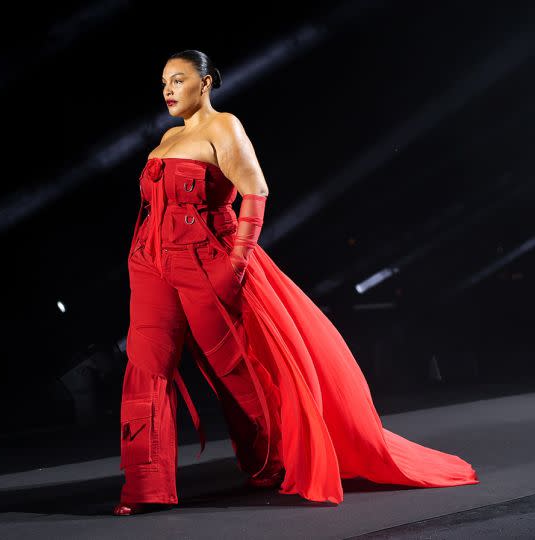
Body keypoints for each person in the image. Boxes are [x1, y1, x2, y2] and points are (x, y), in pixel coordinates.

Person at [114, 50, 479, 516]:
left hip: (207, 262)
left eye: (179, 79)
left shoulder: (224, 127)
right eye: (164, 81)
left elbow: (255, 191)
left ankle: (273, 460)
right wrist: (139, 259)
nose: (167, 89)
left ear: (205, 84)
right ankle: (144, 487)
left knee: (235, 373)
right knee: (145, 368)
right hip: (150, 265)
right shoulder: (166, 138)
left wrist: (237, 264)